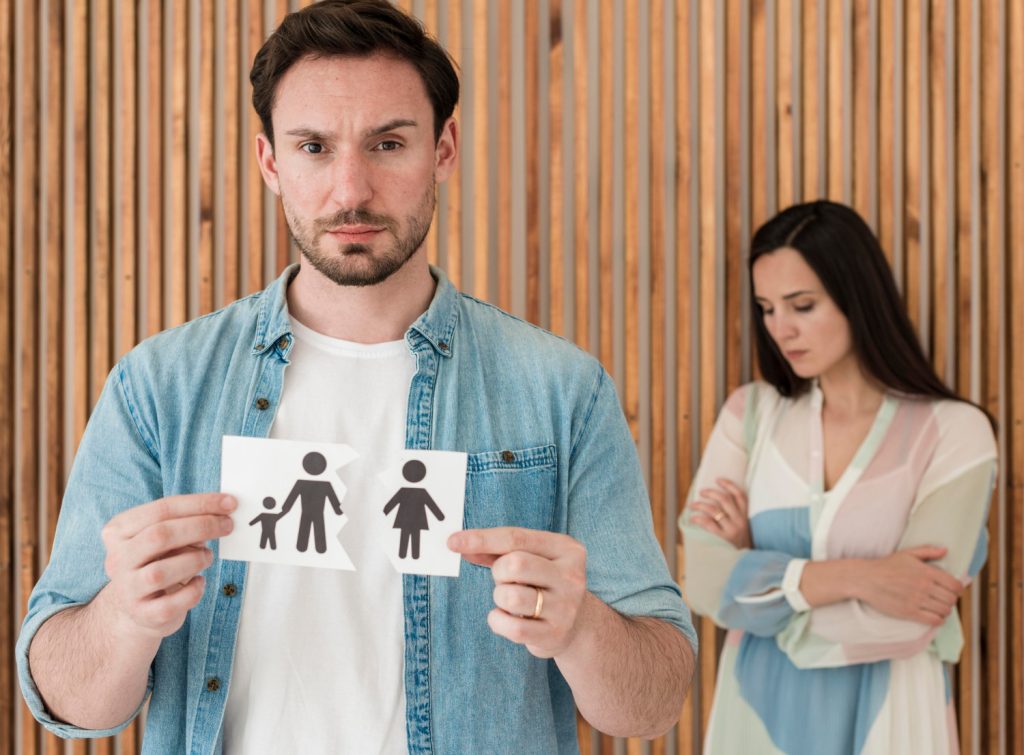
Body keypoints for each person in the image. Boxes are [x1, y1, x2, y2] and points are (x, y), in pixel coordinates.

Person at [17, 2, 696, 753]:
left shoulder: (563, 391)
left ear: (443, 149)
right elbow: (66, 698)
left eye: (388, 143)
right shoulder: (158, 388)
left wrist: (583, 627)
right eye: (313, 146)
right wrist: (124, 616)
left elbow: (654, 702)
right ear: (270, 161)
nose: (352, 190)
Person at [678, 200, 996, 755]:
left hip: (893, 717)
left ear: (857, 297)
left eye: (802, 305)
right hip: (754, 716)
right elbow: (703, 580)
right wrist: (861, 578)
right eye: (767, 308)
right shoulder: (749, 416)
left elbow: (916, 616)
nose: (781, 328)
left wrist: (759, 582)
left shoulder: (955, 433)